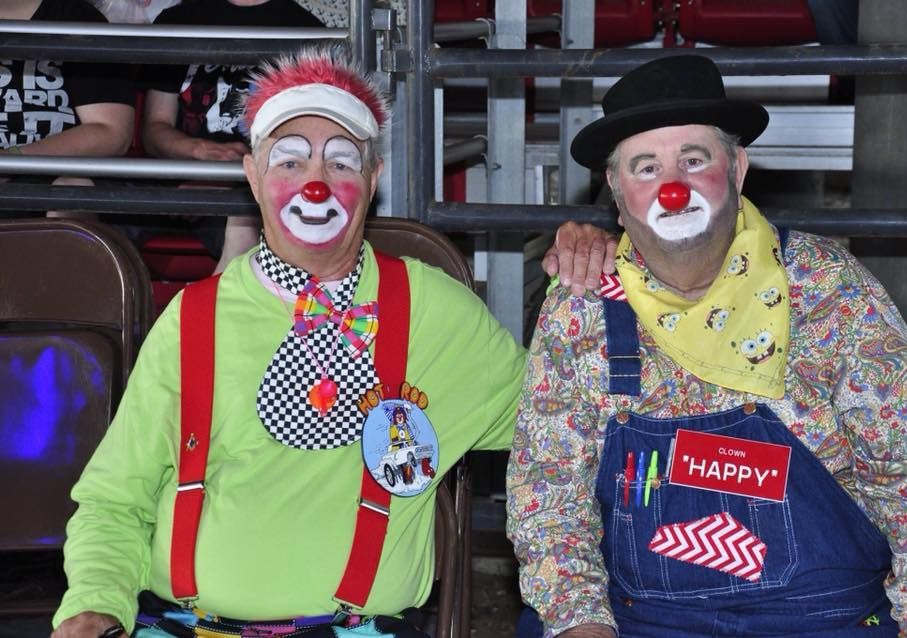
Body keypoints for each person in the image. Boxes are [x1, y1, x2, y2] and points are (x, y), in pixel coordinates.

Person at [50, 43, 613, 638]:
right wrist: (93, 606)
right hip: (186, 624)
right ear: (252, 174)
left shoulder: (435, 312)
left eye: (341, 163)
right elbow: (116, 498)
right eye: (289, 161)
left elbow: (563, 419)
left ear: (372, 182)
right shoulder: (194, 318)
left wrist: (600, 272)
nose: (314, 184)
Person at [506, 54, 907, 638]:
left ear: (738, 169)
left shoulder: (826, 288)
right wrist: (581, 624)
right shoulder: (585, 306)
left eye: (694, 160)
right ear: (617, 195)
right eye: (646, 168)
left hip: (823, 618)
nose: (673, 188)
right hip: (646, 621)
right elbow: (548, 495)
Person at [139, 0, 329, 273]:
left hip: (254, 189)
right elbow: (155, 128)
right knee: (97, 214)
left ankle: (226, 309)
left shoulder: (304, 30)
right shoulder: (178, 19)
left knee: (243, 218)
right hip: (177, 178)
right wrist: (198, 152)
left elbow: (305, 143)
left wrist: (224, 182)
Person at [0, 0, 135, 179]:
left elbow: (112, 134)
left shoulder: (81, 21)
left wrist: (13, 159)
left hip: (57, 176)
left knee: (74, 187)